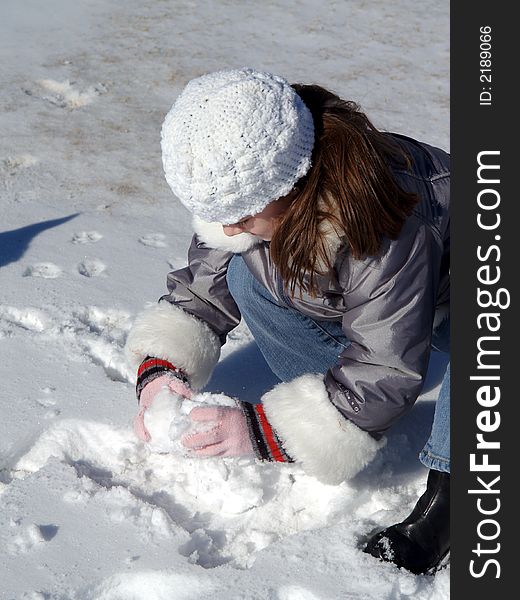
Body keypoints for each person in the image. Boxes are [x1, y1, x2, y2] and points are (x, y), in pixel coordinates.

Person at [124, 68, 450, 574]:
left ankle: (456, 497)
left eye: (243, 212)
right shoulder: (254, 181)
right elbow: (207, 278)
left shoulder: (382, 211)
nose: (228, 225)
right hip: (400, 305)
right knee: (245, 271)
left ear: (292, 181)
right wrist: (163, 365)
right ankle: (354, 409)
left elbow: (386, 361)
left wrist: (262, 432)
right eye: (218, 212)